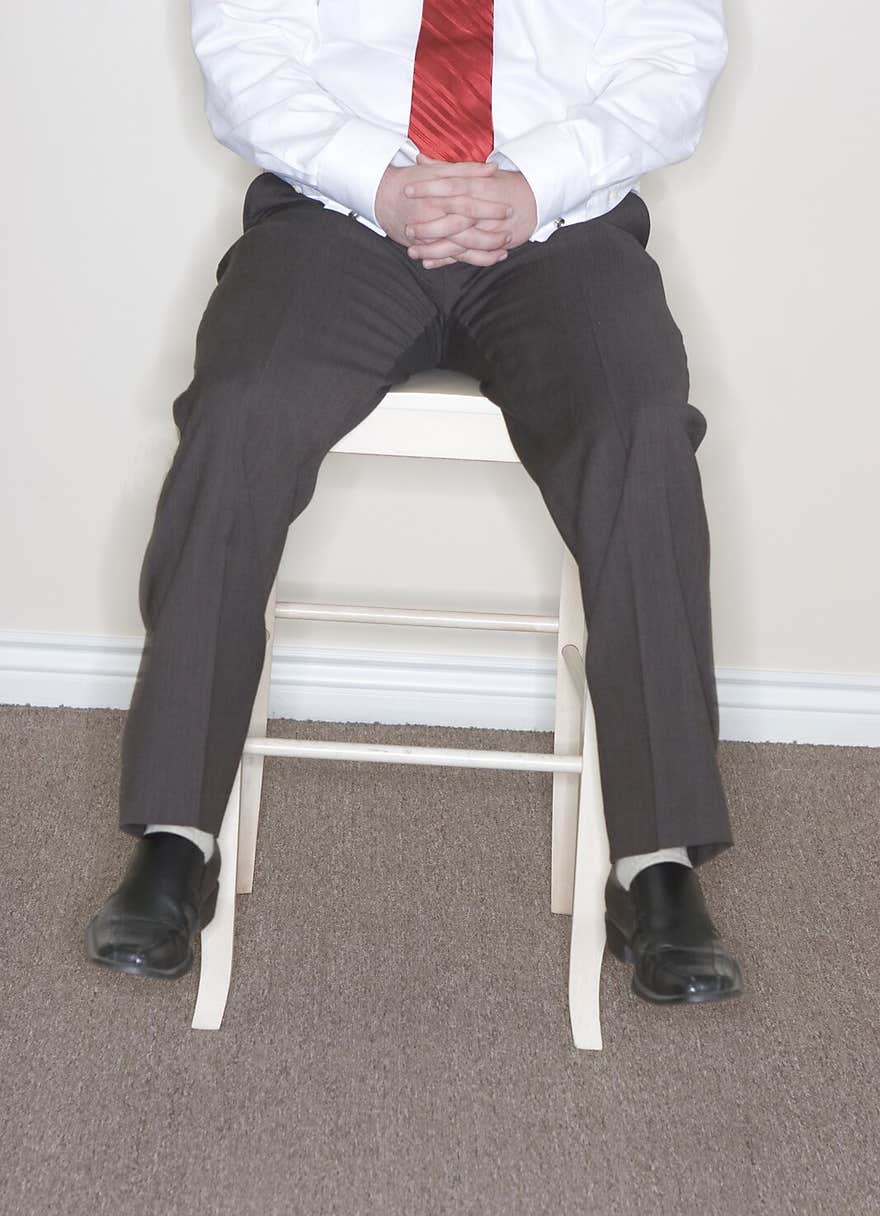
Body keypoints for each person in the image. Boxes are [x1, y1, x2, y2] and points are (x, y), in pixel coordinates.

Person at [85, 0, 743, 1007]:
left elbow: (673, 52)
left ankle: (654, 860)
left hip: (561, 234)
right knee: (242, 411)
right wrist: (379, 181)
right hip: (338, 223)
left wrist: (534, 184)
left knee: (638, 429)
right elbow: (245, 48)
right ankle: (175, 837)